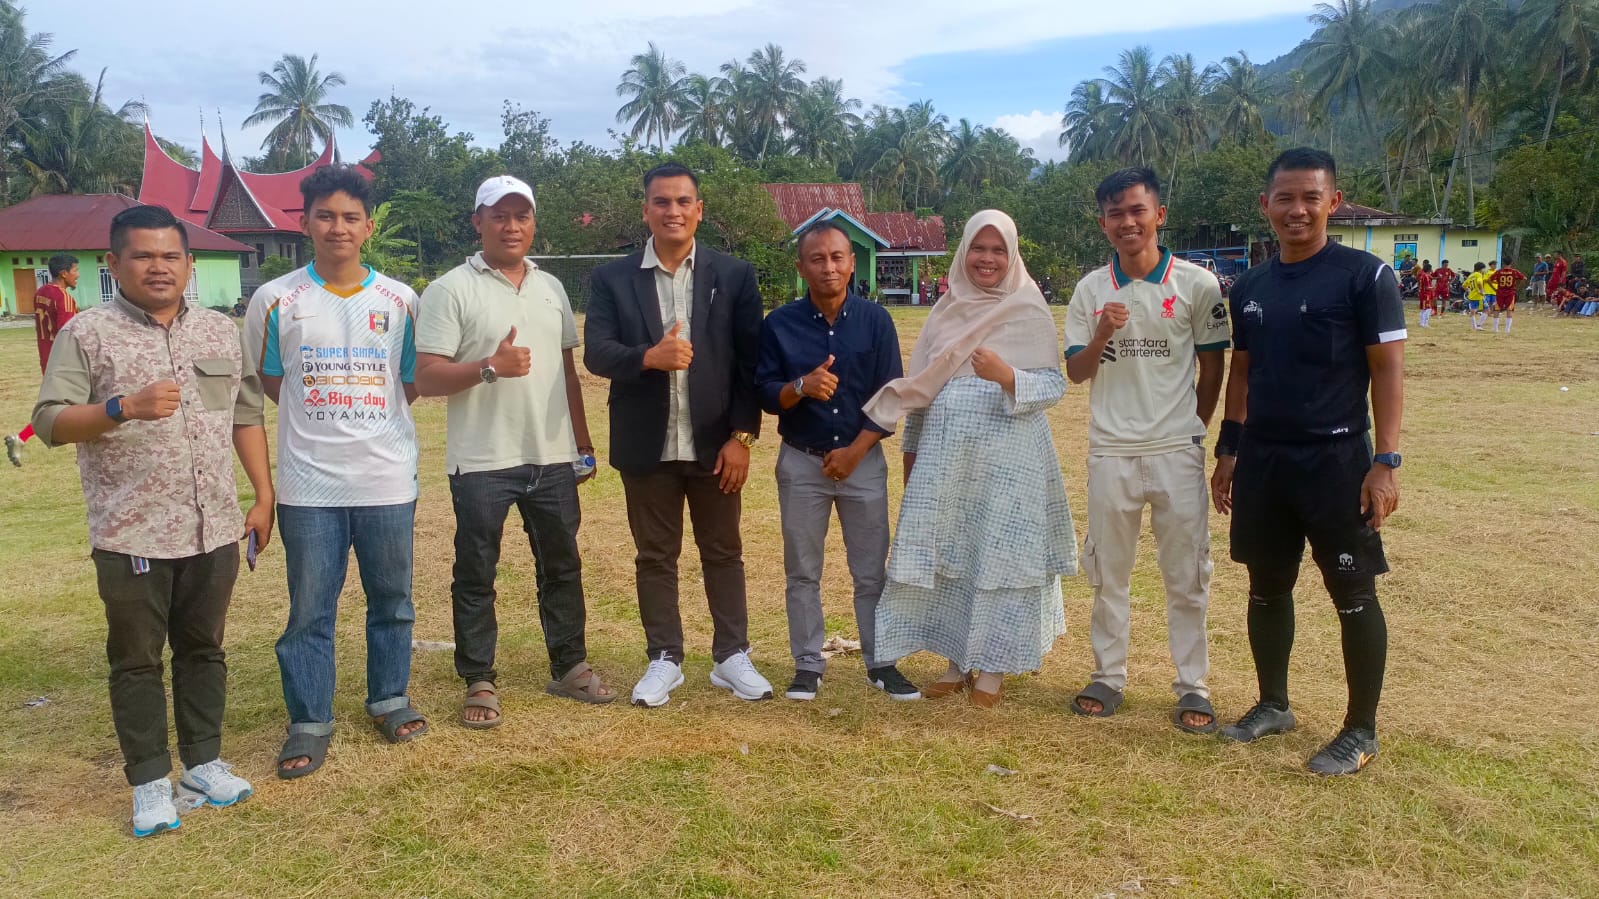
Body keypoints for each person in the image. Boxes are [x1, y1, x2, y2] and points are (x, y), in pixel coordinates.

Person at [31, 204, 273, 835]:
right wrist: (122, 408)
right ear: (114, 264)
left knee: (204, 648)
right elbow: (51, 422)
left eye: (170, 255)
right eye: (142, 255)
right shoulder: (87, 334)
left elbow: (244, 415)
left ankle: (204, 763)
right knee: (136, 660)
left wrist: (262, 495)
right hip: (132, 530)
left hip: (212, 524)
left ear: (189, 264)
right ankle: (149, 782)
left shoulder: (219, 331)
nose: (158, 267)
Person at [1211, 148, 1405, 776]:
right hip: (1265, 459)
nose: (1297, 210)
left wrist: (1385, 461)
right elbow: (1242, 372)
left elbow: (1388, 371)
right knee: (1266, 586)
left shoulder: (1365, 277)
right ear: (1265, 205)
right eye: (1285, 199)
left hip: (1337, 460)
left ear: (1333, 202)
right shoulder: (1251, 287)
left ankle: (1360, 730)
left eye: (1311, 198)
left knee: (1352, 590)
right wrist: (1229, 450)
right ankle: (1273, 704)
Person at [242, 165, 428, 780]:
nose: (338, 227)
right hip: (308, 486)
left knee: (393, 600)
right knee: (310, 610)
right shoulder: (275, 299)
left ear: (368, 227)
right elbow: (275, 384)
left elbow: (407, 383)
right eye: (325, 216)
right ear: (305, 223)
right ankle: (309, 719)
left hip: (386, 480)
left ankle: (389, 698)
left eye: (351, 217)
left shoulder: (401, 300)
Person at [414, 176, 614, 725]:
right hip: (482, 459)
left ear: (533, 223)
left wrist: (581, 441)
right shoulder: (450, 289)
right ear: (477, 222)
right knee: (477, 571)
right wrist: (489, 367)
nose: (511, 226)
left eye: (521, 216)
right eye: (498, 216)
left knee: (562, 565)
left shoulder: (551, 287)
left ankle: (569, 666)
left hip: (551, 455)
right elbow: (426, 377)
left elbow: (566, 372)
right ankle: (479, 677)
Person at [865, 209, 1076, 708]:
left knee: (1002, 560)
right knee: (955, 555)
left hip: (1011, 467)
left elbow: (1053, 385)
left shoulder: (1028, 306)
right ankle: (957, 662)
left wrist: (1007, 375)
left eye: (998, 250)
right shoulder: (945, 309)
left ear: (1012, 254)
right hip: (948, 463)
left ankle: (993, 669)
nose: (987, 259)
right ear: (964, 252)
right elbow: (922, 389)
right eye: (978, 248)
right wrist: (912, 456)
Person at [584, 162, 772, 707]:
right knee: (654, 556)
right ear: (646, 210)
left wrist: (743, 437)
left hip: (716, 445)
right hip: (647, 444)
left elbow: (750, 364)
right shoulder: (612, 279)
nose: (673, 211)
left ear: (699, 210)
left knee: (724, 552)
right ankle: (664, 657)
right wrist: (650, 357)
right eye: (662, 202)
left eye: (683, 201)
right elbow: (597, 353)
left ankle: (731, 656)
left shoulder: (732, 275)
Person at [1063, 168, 1229, 731]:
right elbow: (1077, 372)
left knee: (1187, 574)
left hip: (1176, 450)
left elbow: (1213, 367)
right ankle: (1108, 676)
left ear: (1159, 214)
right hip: (1111, 450)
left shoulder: (1197, 285)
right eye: (1115, 213)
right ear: (1103, 223)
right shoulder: (1091, 290)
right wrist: (1101, 334)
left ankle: (1193, 685)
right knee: (1108, 572)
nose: (1127, 222)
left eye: (1137, 210)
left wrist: (1194, 429)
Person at [756, 219, 916, 703]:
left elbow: (890, 397)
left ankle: (881, 661)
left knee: (871, 571)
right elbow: (765, 394)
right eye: (817, 258)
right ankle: (807, 664)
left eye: (837, 257)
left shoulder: (876, 321)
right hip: (801, 463)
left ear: (851, 264)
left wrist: (854, 452)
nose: (829, 267)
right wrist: (801, 386)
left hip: (862, 461)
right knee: (802, 571)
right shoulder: (779, 324)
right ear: (801, 267)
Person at [6, 254, 80, 466]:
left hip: (47, 359)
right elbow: (67, 334)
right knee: (77, 406)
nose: (77, 275)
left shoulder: (40, 293)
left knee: (68, 406)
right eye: (75, 270)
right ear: (64, 273)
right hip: (64, 361)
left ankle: (21, 438)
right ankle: (82, 454)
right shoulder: (63, 298)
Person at [1487, 260, 1526, 334]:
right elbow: (1524, 278)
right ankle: (1507, 330)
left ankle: (1496, 329)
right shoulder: (1514, 271)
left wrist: (1494, 289)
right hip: (1510, 293)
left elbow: (1488, 280)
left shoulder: (1499, 272)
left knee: (1497, 310)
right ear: (1510, 264)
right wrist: (1518, 288)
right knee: (1509, 310)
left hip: (1500, 293)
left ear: (1503, 264)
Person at [1463, 262, 1489, 329]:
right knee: (1486, 310)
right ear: (1481, 269)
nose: (1484, 270)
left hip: (1472, 295)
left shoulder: (1471, 275)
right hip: (1478, 296)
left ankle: (1474, 326)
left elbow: (1464, 285)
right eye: (1483, 269)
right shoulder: (1478, 274)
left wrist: (1468, 290)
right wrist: (1482, 291)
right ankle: (1478, 325)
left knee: (1473, 311)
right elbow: (1479, 282)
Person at [1414, 261, 1437, 328]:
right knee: (1428, 309)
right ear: (1429, 269)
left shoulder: (1423, 275)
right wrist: (1433, 288)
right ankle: (1425, 323)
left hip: (1422, 294)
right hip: (1426, 295)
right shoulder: (1426, 276)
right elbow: (1426, 287)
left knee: (1423, 309)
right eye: (1431, 268)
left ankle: (1422, 323)